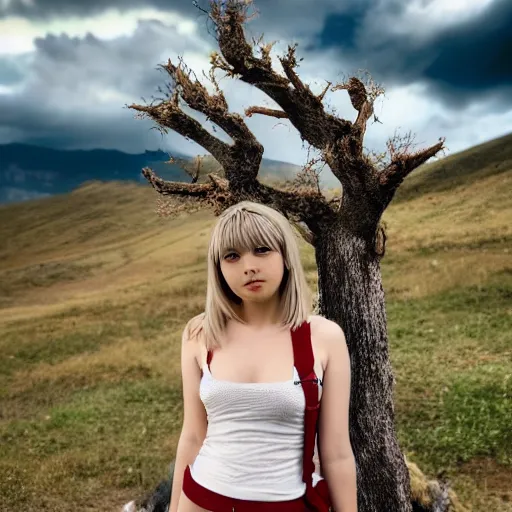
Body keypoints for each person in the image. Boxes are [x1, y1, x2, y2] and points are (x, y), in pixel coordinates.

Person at [170, 201, 357, 512]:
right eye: (232, 256)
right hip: (201, 500)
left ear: (285, 256)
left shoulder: (323, 337)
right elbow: (192, 435)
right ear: (219, 268)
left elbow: (336, 453)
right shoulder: (199, 333)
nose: (248, 266)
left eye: (261, 249)